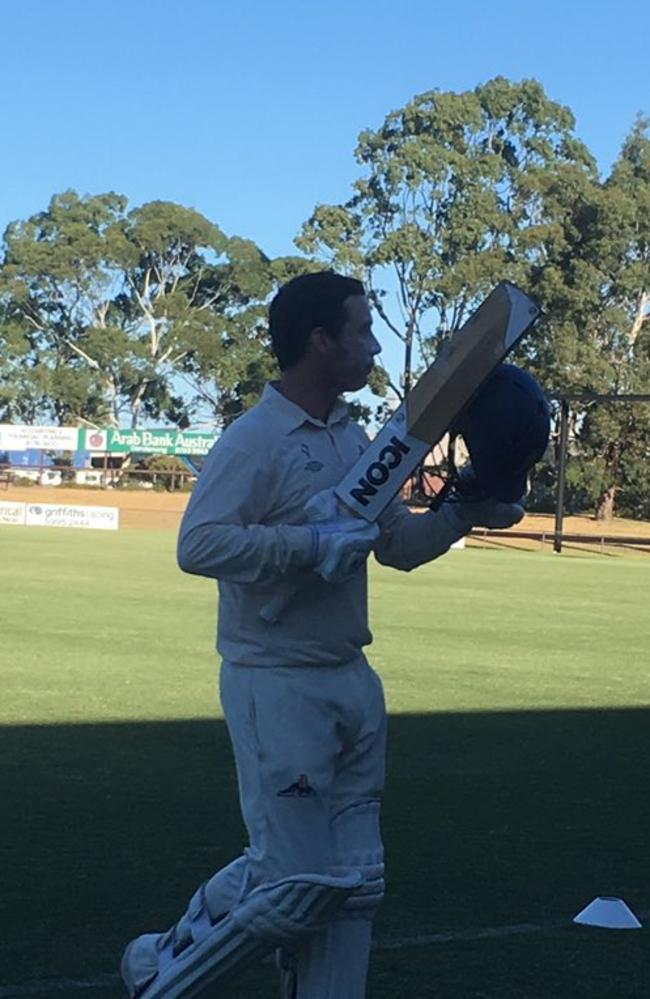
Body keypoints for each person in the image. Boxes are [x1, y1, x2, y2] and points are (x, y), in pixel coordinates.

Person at [120, 271, 527, 999]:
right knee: (297, 880)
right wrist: (308, 544)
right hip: (275, 680)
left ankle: (178, 947)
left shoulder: (355, 437)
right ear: (320, 340)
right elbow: (199, 545)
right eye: (363, 331)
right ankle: (166, 967)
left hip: (350, 675)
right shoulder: (256, 440)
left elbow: (395, 543)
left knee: (354, 882)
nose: (374, 346)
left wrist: (466, 510)